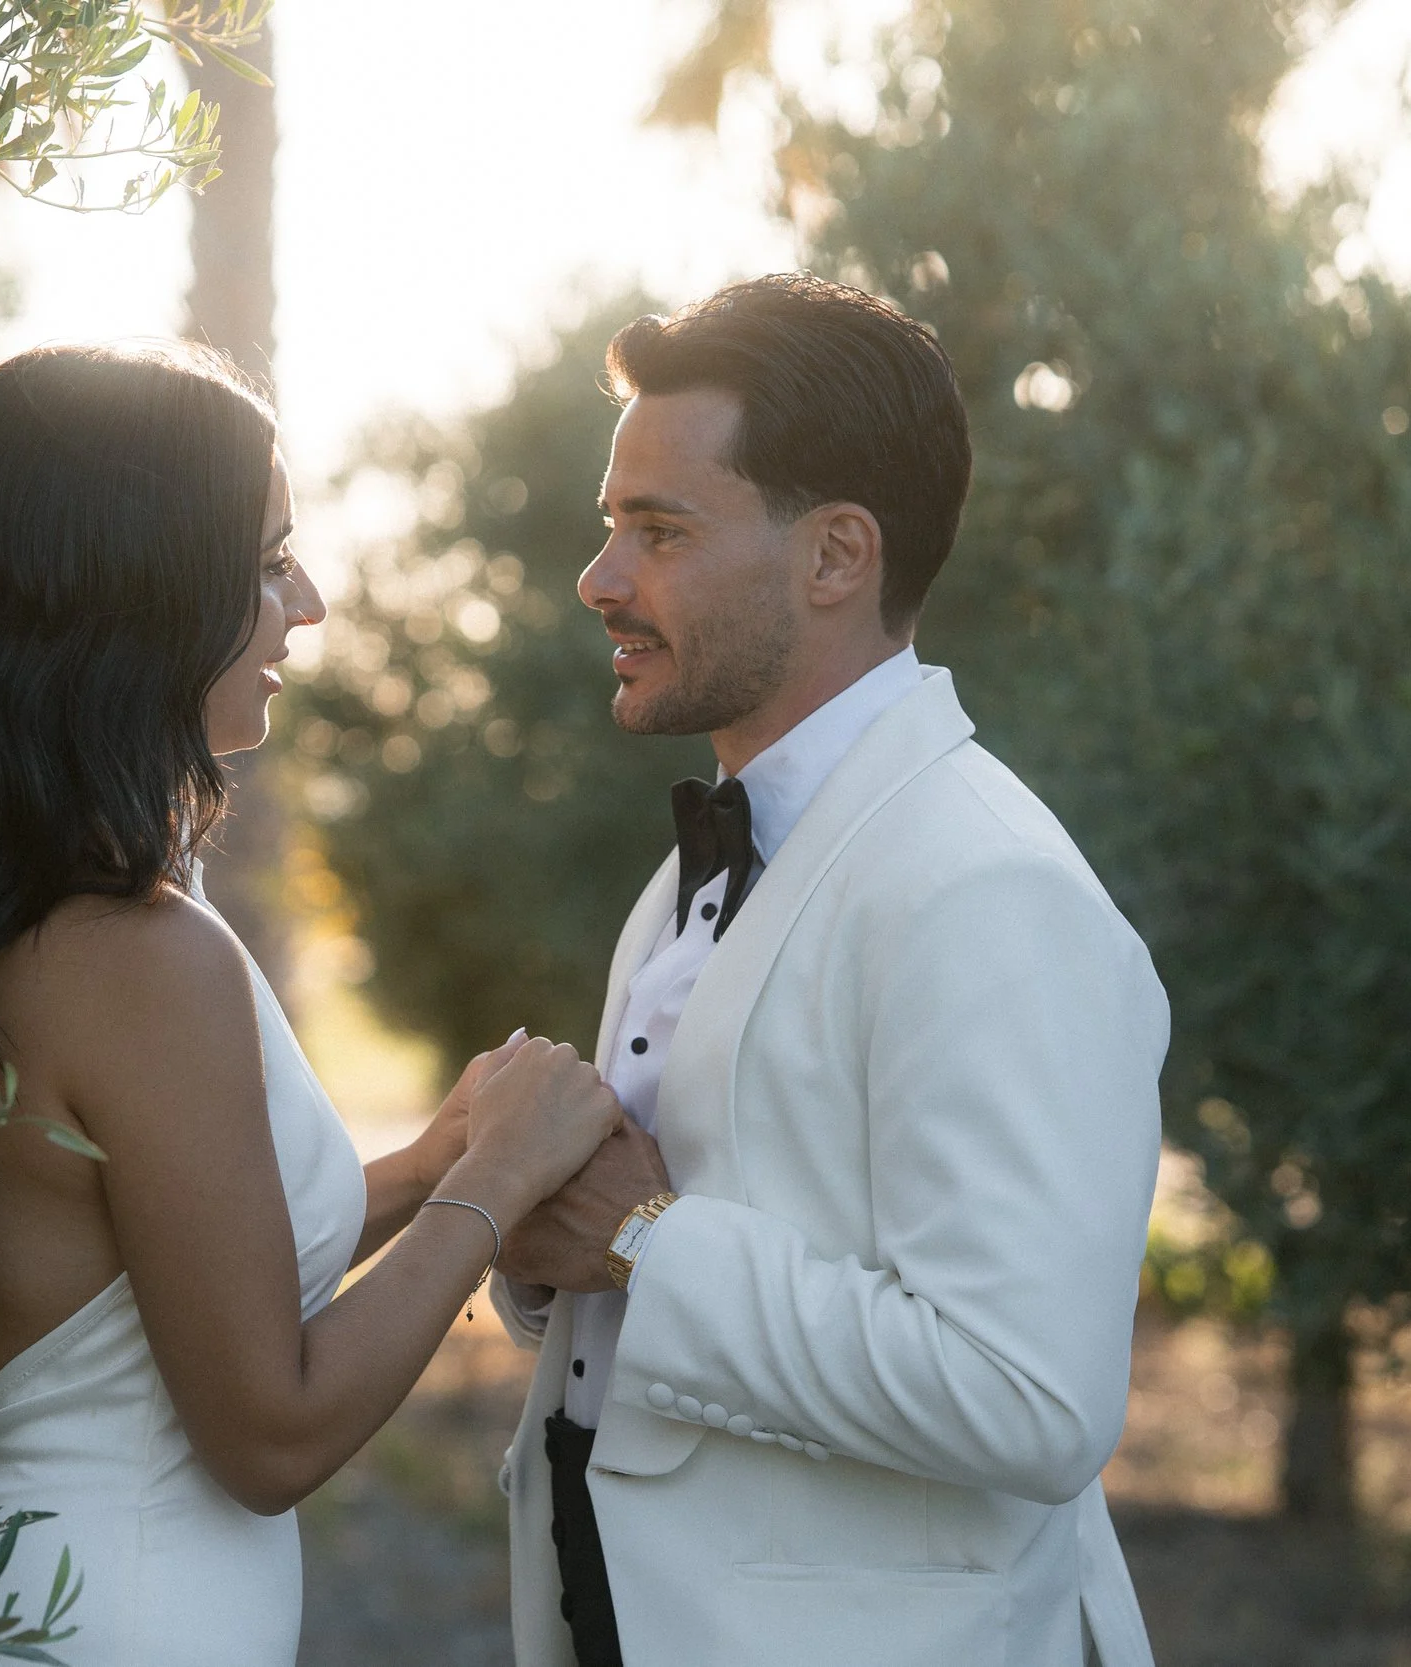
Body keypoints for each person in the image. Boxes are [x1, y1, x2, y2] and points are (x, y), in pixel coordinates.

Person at [0, 342, 620, 1666]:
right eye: (270, 562)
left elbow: (161, 1284)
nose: (311, 603)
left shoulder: (14, 909)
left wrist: (429, 1166)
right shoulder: (140, 956)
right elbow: (270, 1435)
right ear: (139, 592)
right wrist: (497, 1185)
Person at [489, 276, 1170, 1667]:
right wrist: (534, 1206)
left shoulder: (992, 889)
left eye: (660, 531)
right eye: (610, 526)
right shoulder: (700, 866)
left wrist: (642, 1237)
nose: (600, 579)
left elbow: (1028, 1394)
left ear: (837, 556)